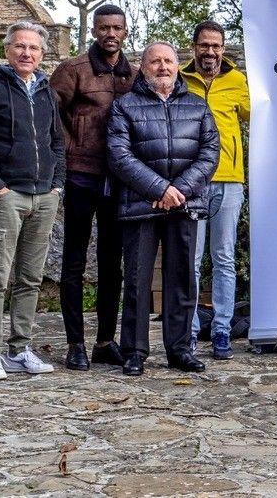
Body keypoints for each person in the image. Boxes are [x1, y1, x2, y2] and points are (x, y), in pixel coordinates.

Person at [0, 21, 65, 380]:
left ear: (42, 53)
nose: (27, 53)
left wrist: (57, 186)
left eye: (34, 48)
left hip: (44, 197)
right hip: (7, 196)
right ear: (7, 50)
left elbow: (57, 143)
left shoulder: (47, 91)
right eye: (20, 46)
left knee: (30, 278)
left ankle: (20, 349)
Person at [107, 41, 219, 377]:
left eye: (169, 61)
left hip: (184, 206)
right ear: (142, 67)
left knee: (182, 280)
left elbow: (210, 153)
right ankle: (135, 352)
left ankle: (180, 350)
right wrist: (159, 189)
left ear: (178, 65)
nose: (163, 67)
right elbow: (119, 155)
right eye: (155, 61)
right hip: (141, 205)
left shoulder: (198, 107)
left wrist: (178, 191)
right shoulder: (124, 106)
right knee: (138, 282)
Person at [49, 4, 136, 371]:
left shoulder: (134, 75)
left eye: (116, 28)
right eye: (103, 28)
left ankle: (104, 340)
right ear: (95, 32)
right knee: (74, 261)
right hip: (82, 176)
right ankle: (75, 344)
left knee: (112, 265)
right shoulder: (73, 70)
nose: (110, 34)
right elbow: (48, 114)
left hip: (119, 181)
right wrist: (66, 152)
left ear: (125, 31)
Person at [180, 21, 250, 361]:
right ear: (194, 46)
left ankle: (222, 329)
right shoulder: (180, 79)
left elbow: (261, 114)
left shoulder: (237, 80)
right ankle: (190, 331)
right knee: (191, 261)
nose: (210, 51)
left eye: (216, 46)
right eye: (204, 45)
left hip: (229, 180)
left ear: (224, 49)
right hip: (191, 181)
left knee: (223, 258)